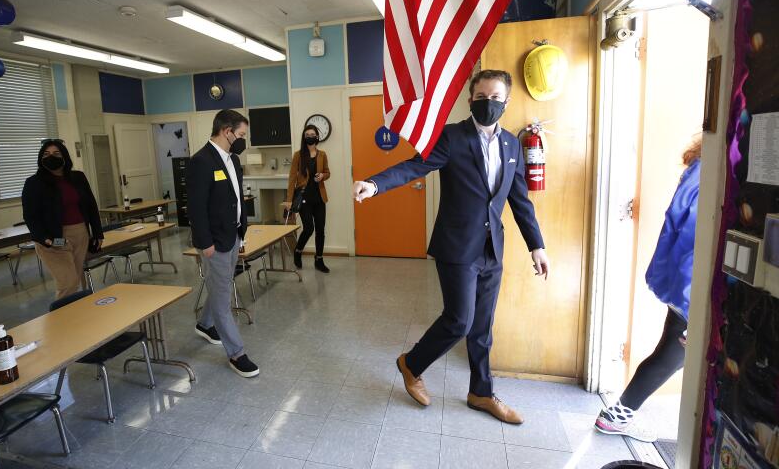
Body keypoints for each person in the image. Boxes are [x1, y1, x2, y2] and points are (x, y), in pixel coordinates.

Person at [353, 70, 550, 425]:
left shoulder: (511, 145)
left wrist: (536, 245)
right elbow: (415, 166)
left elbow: (519, 199)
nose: (488, 103)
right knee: (459, 321)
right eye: (481, 96)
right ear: (470, 100)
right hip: (457, 246)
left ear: (506, 103)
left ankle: (481, 393)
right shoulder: (451, 137)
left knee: (483, 327)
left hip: (493, 249)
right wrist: (375, 184)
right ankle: (411, 364)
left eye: (495, 97)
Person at [595, 139, 701, 442]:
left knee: (671, 352)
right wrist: (692, 302)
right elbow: (694, 238)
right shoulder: (712, 173)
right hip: (691, 285)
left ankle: (619, 414)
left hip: (685, 282)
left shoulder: (699, 170)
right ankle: (617, 415)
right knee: (672, 355)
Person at [187, 109, 259, 378]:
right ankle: (236, 353)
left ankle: (205, 325)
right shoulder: (201, 161)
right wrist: (204, 242)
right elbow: (195, 207)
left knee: (222, 284)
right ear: (226, 131)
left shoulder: (234, 159)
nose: (242, 140)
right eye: (240, 134)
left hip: (233, 235)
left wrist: (243, 229)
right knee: (223, 299)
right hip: (214, 241)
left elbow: (237, 197)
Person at [22, 139, 103, 300]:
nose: (51, 157)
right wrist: (47, 239)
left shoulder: (78, 177)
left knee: (77, 279)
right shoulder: (34, 183)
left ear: (64, 156)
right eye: (46, 154)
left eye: (56, 153)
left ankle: (79, 316)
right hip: (55, 239)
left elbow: (91, 206)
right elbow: (30, 216)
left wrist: (98, 233)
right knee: (68, 283)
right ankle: (62, 321)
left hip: (80, 234)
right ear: (40, 158)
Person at [287, 124, 331, 273]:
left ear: (317, 136)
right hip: (304, 197)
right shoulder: (298, 155)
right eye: (307, 135)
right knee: (309, 228)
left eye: (312, 134)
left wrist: (322, 176)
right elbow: (292, 178)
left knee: (320, 230)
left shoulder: (322, 154)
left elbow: (327, 172)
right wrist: (289, 199)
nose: (310, 137)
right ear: (304, 137)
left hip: (319, 197)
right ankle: (298, 251)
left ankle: (319, 259)